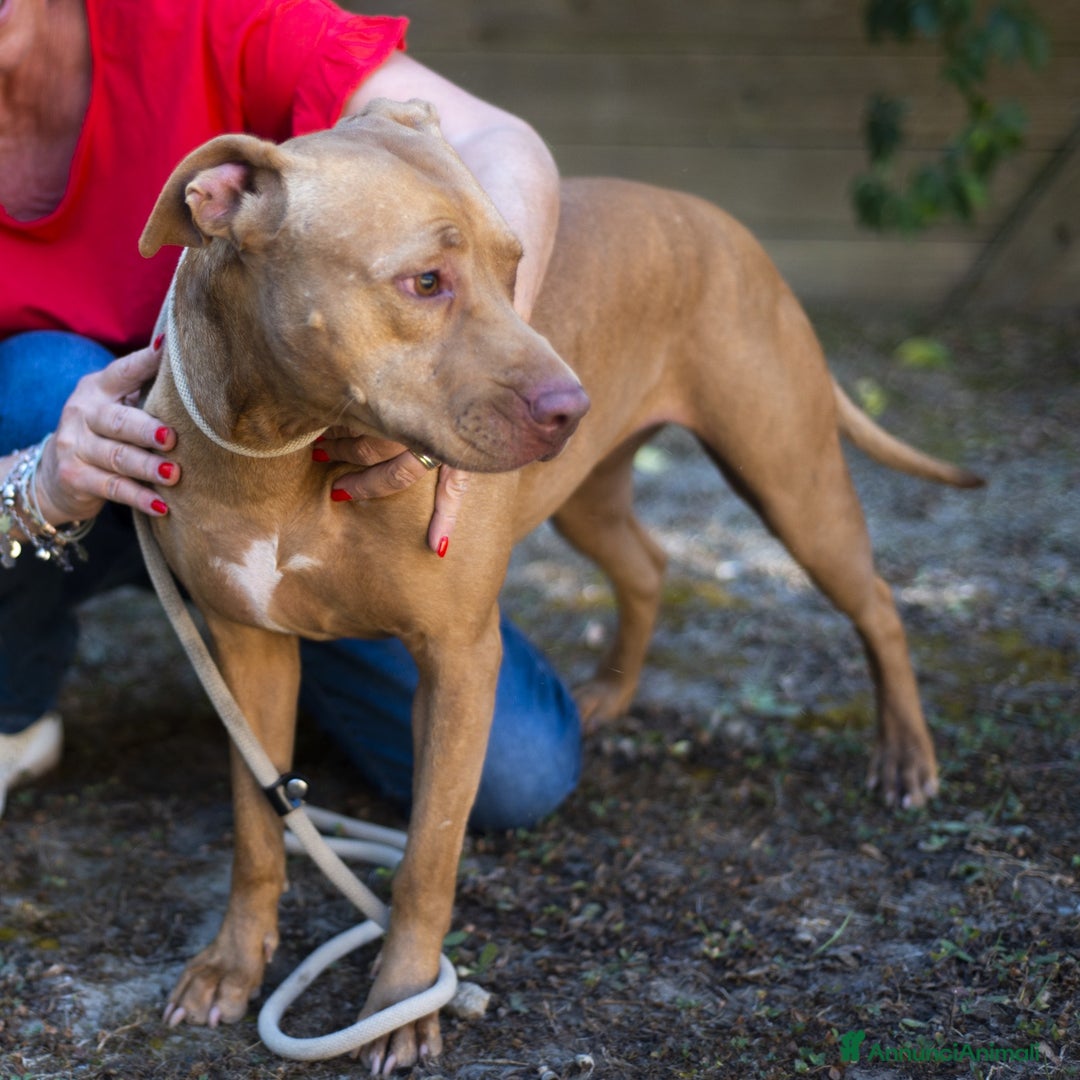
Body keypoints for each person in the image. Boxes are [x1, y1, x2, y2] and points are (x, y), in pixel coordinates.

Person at [0, 0, 581, 827]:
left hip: (285, 475)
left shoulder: (193, 16)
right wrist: (38, 484)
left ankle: (287, 635)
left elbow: (500, 143)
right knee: (42, 383)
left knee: (516, 776)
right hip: (86, 486)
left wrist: (462, 362)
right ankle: (13, 700)